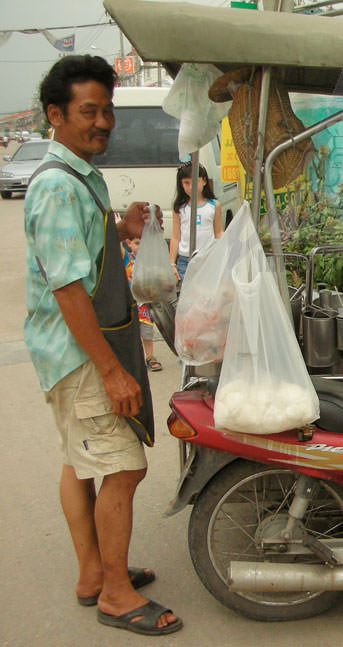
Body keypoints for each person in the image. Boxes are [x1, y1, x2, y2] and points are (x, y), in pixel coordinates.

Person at [23, 55, 182, 636]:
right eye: (89, 111)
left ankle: (94, 574)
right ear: (55, 115)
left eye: (107, 110)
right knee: (124, 466)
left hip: (66, 353)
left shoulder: (78, 178)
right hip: (80, 356)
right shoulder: (59, 189)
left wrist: (120, 230)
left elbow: (78, 257)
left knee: (80, 461)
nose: (104, 122)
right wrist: (113, 371)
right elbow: (68, 289)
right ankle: (115, 594)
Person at [169, 161, 222, 282]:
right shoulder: (179, 207)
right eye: (186, 183)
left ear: (203, 181)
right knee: (186, 295)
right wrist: (172, 263)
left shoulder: (214, 205)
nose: (191, 187)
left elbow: (218, 233)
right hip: (185, 260)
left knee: (207, 294)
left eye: (195, 182)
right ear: (181, 184)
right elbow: (175, 236)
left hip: (208, 258)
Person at [122, 238, 162, 371]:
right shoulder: (127, 259)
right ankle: (133, 360)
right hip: (130, 303)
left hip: (145, 303)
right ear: (129, 243)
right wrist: (118, 232)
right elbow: (117, 249)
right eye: (137, 243)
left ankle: (150, 356)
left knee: (147, 333)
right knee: (131, 333)